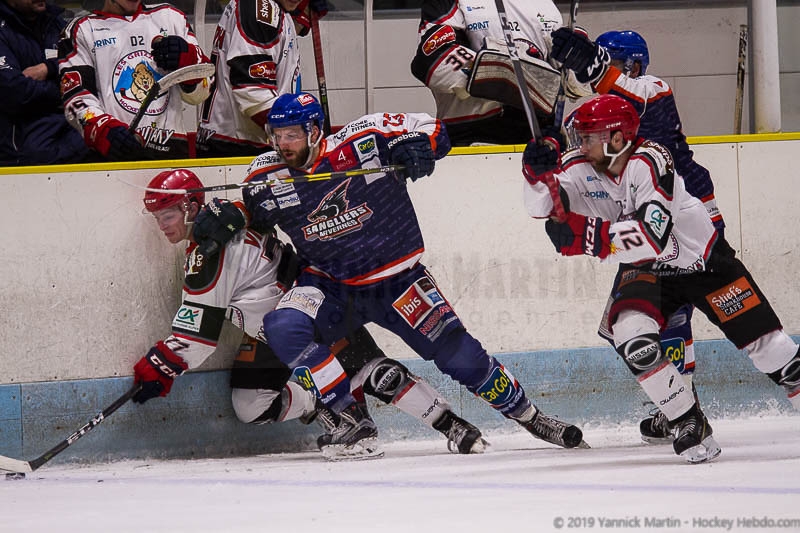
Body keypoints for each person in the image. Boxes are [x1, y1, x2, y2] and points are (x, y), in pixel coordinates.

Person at [192, 92, 588, 453]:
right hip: (329, 283)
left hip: (397, 279)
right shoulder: (265, 176)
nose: (282, 144)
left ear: (314, 130)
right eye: (275, 135)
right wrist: (230, 215)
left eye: (291, 135)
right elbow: (252, 210)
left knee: (459, 355)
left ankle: (531, 417)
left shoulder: (363, 138)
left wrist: (423, 146)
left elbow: (434, 130)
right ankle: (350, 416)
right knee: (283, 327)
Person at [136, 168, 489, 461]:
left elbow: (197, 339)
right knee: (251, 404)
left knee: (369, 369)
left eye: (166, 215)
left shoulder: (208, 253)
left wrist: (161, 363)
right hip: (278, 328)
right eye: (157, 218)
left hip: (311, 312)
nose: (162, 225)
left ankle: (451, 426)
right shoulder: (225, 217)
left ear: (191, 207)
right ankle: (334, 402)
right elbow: (256, 208)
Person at [522, 94, 800, 463]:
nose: (580, 143)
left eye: (588, 136)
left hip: (703, 262)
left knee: (771, 349)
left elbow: (652, 234)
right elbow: (542, 209)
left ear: (617, 138)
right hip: (649, 268)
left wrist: (589, 236)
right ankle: (687, 420)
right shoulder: (579, 163)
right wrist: (535, 175)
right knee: (631, 336)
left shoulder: (651, 159)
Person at [552, 28, 727, 444]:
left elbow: (630, 95)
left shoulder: (651, 88)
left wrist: (594, 65)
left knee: (668, 314)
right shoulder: (606, 111)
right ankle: (680, 404)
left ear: (631, 64)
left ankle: (684, 409)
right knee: (628, 325)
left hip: (685, 219)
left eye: (608, 61)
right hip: (648, 224)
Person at [410, 0, 584, 146]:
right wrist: (510, 71)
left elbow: (570, 85)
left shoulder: (545, 5)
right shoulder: (448, 2)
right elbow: (433, 62)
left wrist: (581, 59)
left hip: (539, 140)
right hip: (472, 136)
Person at [58, 0, 212, 161]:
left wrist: (189, 60)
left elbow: (202, 93)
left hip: (173, 152)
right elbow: (77, 98)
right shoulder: (83, 29)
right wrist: (103, 130)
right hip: (117, 155)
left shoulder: (171, 17)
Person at [196, 0, 328, 157]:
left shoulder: (264, 9)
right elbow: (254, 94)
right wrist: (298, 134)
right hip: (240, 146)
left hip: (230, 140)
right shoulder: (258, 9)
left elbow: (273, 40)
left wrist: (302, 15)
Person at [0, 0, 89, 165]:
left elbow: (87, 73)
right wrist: (67, 91)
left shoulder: (57, 23)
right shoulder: (4, 32)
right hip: (25, 149)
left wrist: (49, 68)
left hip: (72, 130)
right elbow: (16, 92)